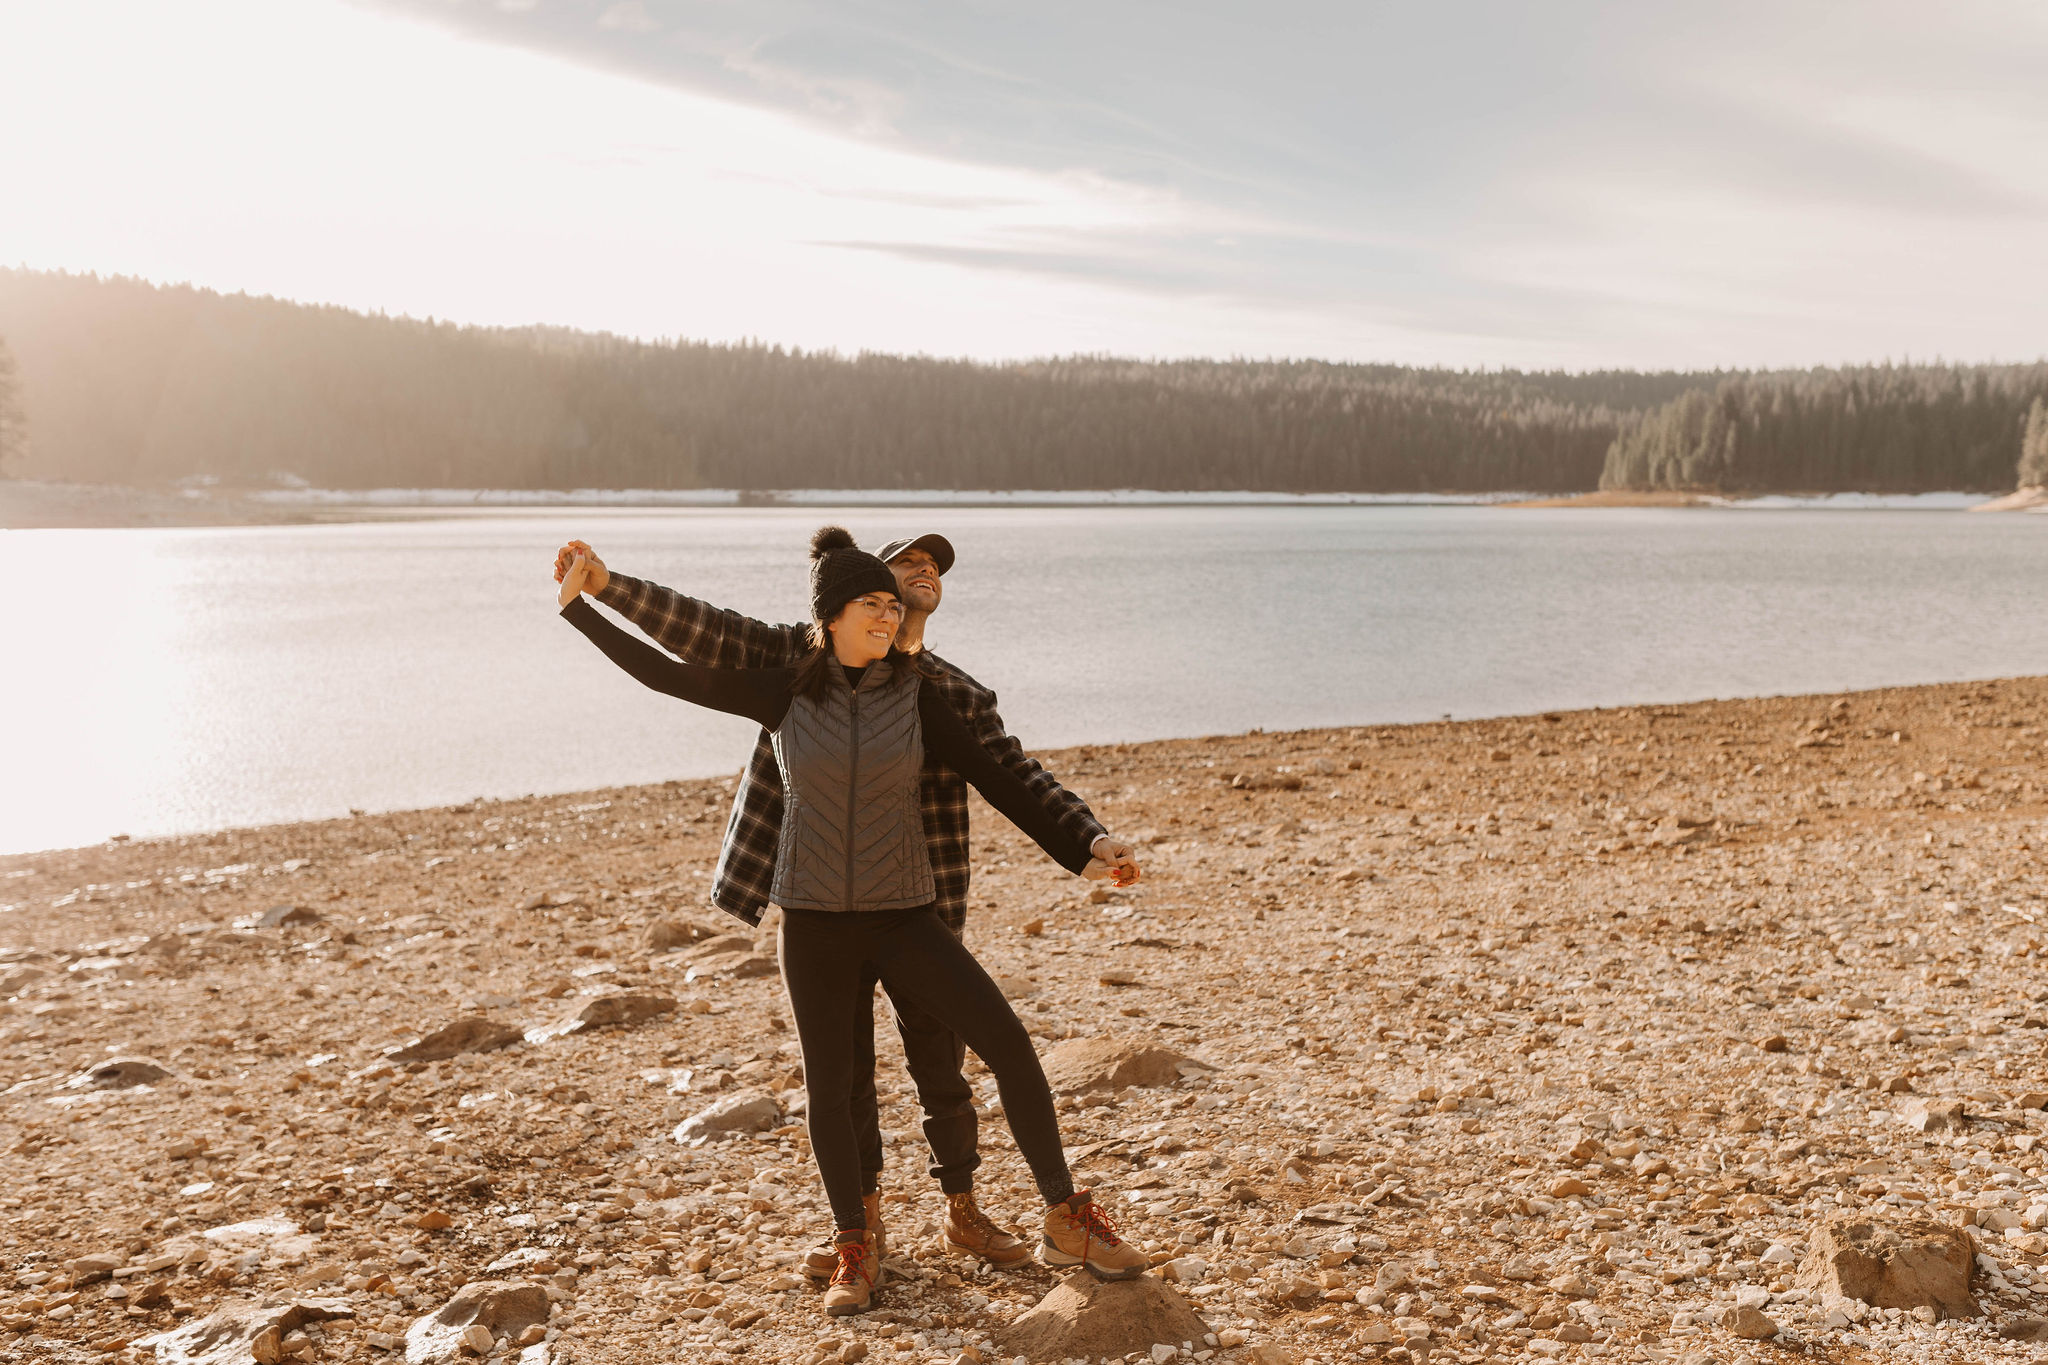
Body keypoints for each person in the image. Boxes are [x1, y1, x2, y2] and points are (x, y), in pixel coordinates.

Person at [555, 528, 1148, 1316]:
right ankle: (855, 1245)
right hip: (815, 924)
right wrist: (583, 609)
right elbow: (670, 670)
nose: (887, 615)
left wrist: (1085, 841)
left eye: (890, 604)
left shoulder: (920, 693)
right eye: (872, 603)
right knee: (831, 1088)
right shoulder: (784, 688)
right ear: (832, 613)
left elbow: (1000, 772)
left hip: (905, 917)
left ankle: (1066, 1216)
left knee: (1005, 1042)